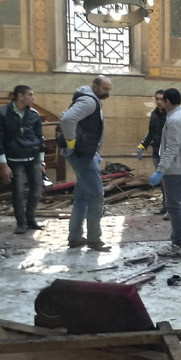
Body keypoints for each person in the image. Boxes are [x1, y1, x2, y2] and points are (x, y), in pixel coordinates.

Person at [59, 75, 112, 251]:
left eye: (108, 89)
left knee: (82, 196)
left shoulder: (89, 99)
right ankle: (94, 240)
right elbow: (67, 119)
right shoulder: (89, 101)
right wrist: (71, 142)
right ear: (95, 86)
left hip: (86, 153)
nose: (107, 92)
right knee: (97, 195)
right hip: (82, 155)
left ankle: (74, 237)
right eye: (105, 88)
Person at [148, 88, 181, 256]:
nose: (161, 103)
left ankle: (178, 243)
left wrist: (160, 170)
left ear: (167, 101)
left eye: (163, 101)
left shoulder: (176, 119)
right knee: (179, 204)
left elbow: (171, 148)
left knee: (173, 206)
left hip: (174, 168)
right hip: (180, 166)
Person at [0, 85, 45, 234]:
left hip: (33, 157)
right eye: (30, 95)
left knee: (36, 190)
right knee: (18, 191)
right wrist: (3, 164)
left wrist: (41, 160)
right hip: (14, 158)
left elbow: (39, 137)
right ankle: (21, 223)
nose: (34, 98)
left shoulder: (33, 114)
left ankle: (31, 219)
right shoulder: (3, 113)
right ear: (20, 96)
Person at [137, 90, 169, 219]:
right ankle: (165, 206)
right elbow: (151, 133)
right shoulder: (154, 114)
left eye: (161, 99)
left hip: (167, 153)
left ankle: (171, 208)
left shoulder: (170, 115)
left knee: (168, 182)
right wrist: (142, 146)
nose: (159, 101)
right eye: (157, 99)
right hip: (156, 152)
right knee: (162, 182)